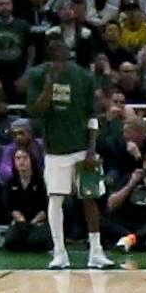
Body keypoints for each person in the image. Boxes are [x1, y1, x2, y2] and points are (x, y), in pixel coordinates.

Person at [25, 33, 107, 269]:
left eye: (62, 45)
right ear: (49, 52)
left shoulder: (83, 76)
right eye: (54, 46)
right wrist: (50, 84)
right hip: (55, 150)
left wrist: (92, 149)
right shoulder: (38, 75)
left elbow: (93, 114)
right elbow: (36, 110)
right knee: (55, 199)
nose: (59, 49)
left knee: (90, 198)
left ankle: (96, 252)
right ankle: (60, 253)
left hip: (82, 148)